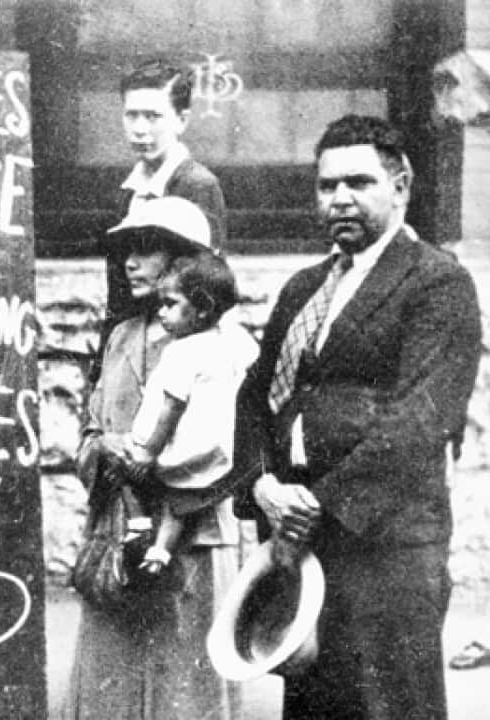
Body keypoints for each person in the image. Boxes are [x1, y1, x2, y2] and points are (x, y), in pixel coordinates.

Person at [235, 114, 481, 719]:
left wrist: (315, 505)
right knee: (317, 705)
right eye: (326, 186)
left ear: (400, 187)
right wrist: (262, 485)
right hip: (300, 545)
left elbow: (420, 420)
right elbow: (253, 396)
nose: (339, 198)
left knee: (388, 705)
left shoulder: (437, 283)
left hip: (387, 550)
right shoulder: (303, 288)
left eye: (359, 182)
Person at [70, 195, 241, 720]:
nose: (131, 263)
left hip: (193, 532)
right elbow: (89, 432)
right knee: (112, 694)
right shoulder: (119, 337)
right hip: (119, 534)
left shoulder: (224, 345)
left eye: (147, 250)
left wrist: (158, 466)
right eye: (126, 251)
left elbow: (237, 446)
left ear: (186, 262)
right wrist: (104, 447)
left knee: (186, 692)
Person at [120, 251, 256, 576]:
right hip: (216, 450)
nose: (161, 312)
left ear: (203, 308)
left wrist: (149, 450)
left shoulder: (182, 351)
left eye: (170, 304)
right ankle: (161, 551)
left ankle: (140, 525)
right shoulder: (233, 341)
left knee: (128, 459)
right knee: (184, 501)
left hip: (180, 444)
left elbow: (171, 407)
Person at [101, 60, 227, 360]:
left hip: (178, 350)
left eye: (153, 116)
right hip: (130, 349)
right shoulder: (128, 191)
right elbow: (118, 299)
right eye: (132, 116)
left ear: (181, 120)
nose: (140, 129)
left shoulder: (197, 185)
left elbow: (206, 288)